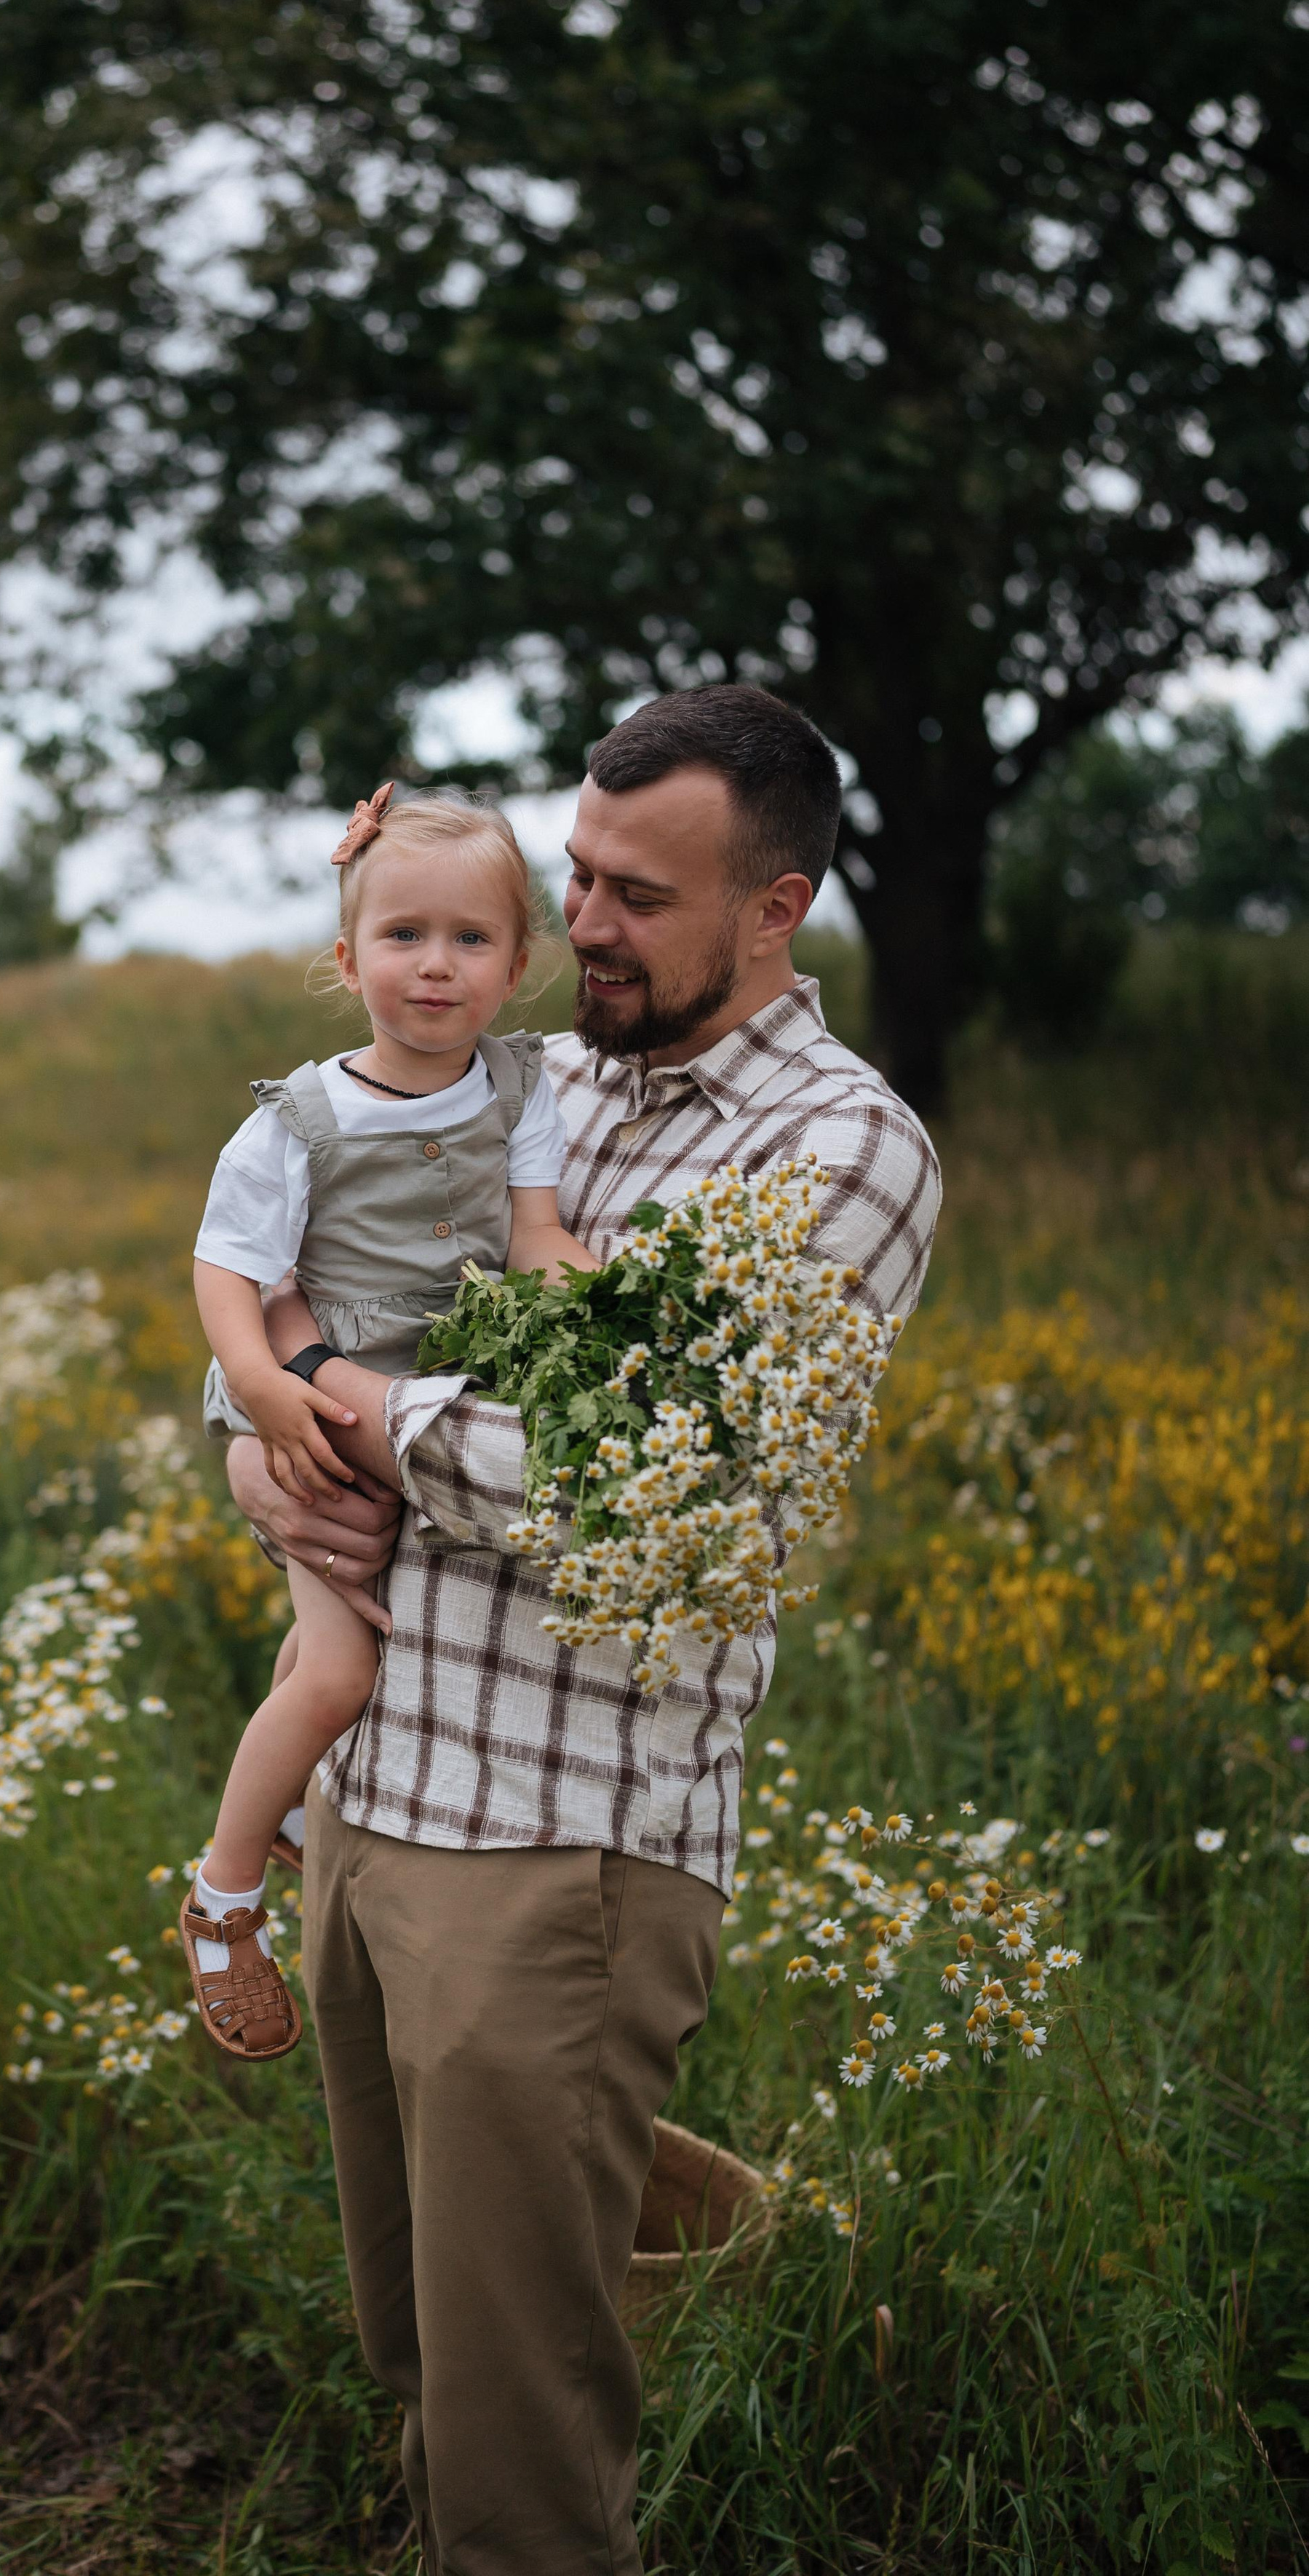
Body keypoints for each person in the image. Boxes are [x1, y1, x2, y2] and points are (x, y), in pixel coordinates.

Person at [224, 686, 943, 2576]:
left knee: (524, 2432)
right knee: (417, 2357)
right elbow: (303, 1286)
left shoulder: (838, 1153)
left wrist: (354, 1414)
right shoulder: (543, 1075)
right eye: (581, 880)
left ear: (776, 908)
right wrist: (264, 1455)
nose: (592, 926)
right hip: (373, 1792)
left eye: (640, 896)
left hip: (554, 1852)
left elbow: (643, 1472)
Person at [183, 785, 594, 2059]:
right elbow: (227, 1272)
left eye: (472, 940)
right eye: (403, 936)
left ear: (519, 965)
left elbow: (535, 1239)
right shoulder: (297, 1120)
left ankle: (299, 1819)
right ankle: (223, 1896)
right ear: (347, 957)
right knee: (345, 1667)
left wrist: (595, 1308)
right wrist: (259, 1392)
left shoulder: (519, 1086)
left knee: (370, 1639)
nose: (435, 966)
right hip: (312, 1404)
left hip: (424, 1402)